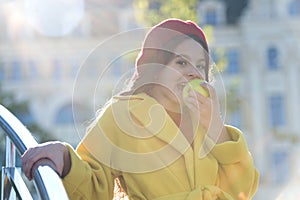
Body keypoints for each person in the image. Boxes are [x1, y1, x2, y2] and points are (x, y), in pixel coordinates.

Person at [22, 18, 259, 199]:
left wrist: (215, 125)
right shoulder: (122, 116)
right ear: (156, 67)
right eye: (181, 62)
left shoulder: (206, 124)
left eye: (200, 65)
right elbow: (94, 187)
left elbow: (242, 189)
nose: (193, 72)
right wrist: (65, 158)